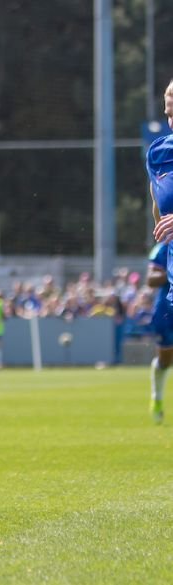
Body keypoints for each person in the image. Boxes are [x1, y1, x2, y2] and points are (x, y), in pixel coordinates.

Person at [146, 78, 173, 423]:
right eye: (169, 112)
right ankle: (156, 393)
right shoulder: (159, 152)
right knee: (166, 356)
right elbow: (159, 207)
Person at [146, 242, 171, 424]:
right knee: (165, 360)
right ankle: (157, 397)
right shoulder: (163, 247)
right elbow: (150, 279)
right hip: (166, 311)